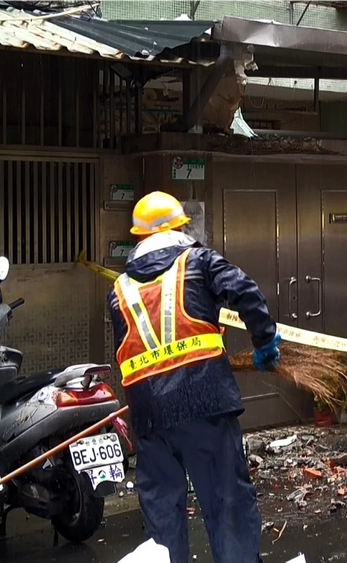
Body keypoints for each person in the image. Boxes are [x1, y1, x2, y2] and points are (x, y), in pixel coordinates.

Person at [107, 191, 280, 563]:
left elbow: (126, 351)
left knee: (163, 516)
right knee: (227, 504)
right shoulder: (198, 261)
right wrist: (264, 340)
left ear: (139, 237)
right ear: (179, 227)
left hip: (150, 415)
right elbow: (245, 291)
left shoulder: (119, 289)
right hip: (205, 403)